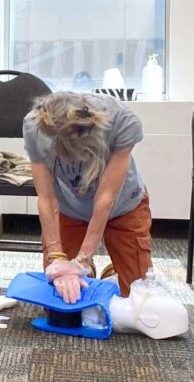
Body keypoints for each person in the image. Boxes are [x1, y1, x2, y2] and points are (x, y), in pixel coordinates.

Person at [26, 92, 150, 302]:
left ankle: (113, 271)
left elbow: (106, 197)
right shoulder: (35, 126)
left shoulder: (123, 122)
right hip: (69, 209)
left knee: (139, 299)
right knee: (58, 299)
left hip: (123, 207)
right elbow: (46, 198)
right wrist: (56, 256)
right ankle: (89, 272)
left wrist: (82, 259)